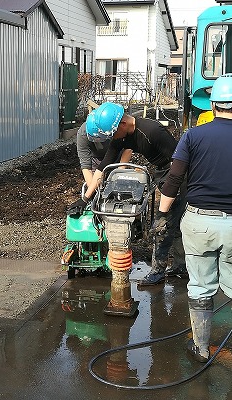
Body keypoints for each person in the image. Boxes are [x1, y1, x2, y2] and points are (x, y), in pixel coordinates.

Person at [67, 102, 187, 284]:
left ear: (123, 124)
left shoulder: (153, 131)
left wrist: (170, 193)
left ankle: (157, 272)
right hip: (163, 172)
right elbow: (103, 166)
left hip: (178, 176)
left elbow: (180, 162)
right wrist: (86, 198)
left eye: (113, 134)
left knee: (162, 226)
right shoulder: (123, 135)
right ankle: (180, 266)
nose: (113, 139)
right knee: (174, 224)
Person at [157, 73, 232, 362]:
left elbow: (174, 178)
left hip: (200, 222)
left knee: (201, 285)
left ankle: (200, 348)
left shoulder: (193, 135)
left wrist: (163, 215)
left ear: (213, 106)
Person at [77, 110, 132, 188]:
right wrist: (93, 191)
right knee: (96, 186)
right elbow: (86, 166)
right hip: (97, 160)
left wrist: (120, 172)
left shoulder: (113, 127)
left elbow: (128, 148)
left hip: (117, 156)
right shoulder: (83, 134)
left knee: (119, 186)